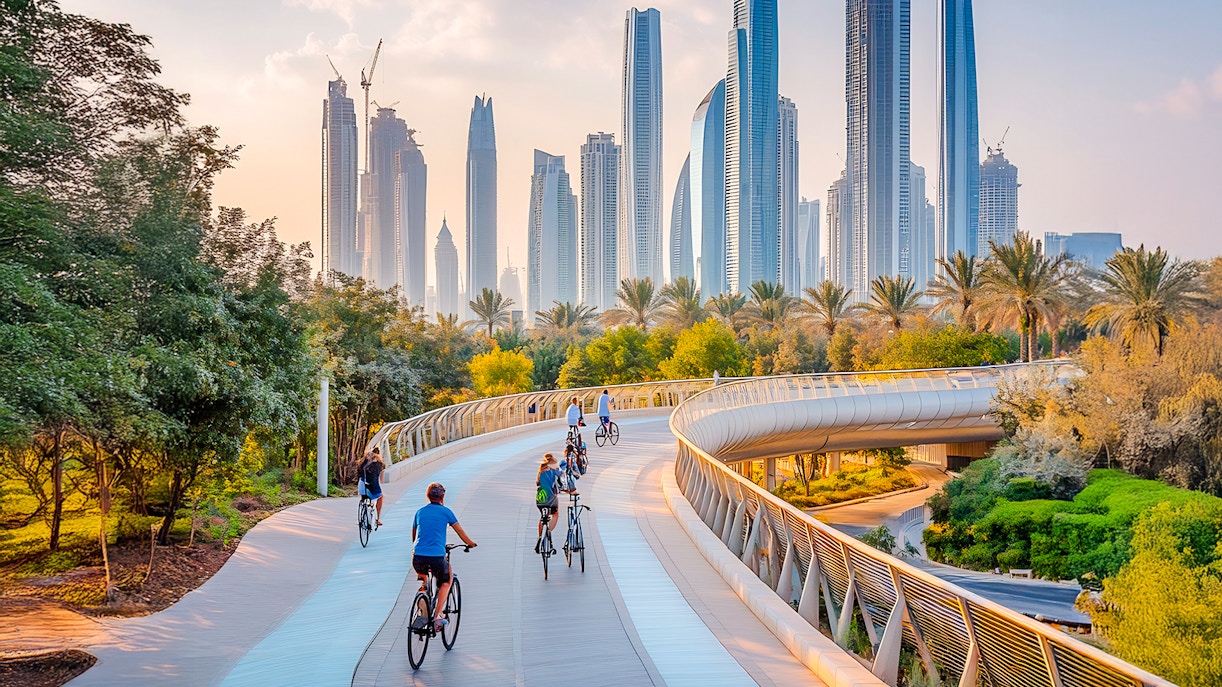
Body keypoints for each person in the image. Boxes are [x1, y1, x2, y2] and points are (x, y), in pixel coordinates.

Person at [411, 482, 476, 632]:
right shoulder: (446, 512)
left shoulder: (420, 512)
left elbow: (414, 536)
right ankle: (437, 615)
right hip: (436, 557)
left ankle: (422, 600)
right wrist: (471, 543)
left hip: (418, 556)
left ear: (428, 496)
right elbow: (461, 533)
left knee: (424, 579)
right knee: (446, 581)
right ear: (442, 496)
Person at [534, 453, 572, 552]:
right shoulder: (555, 471)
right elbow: (562, 483)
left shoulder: (541, 470)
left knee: (543, 517)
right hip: (551, 498)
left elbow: (537, 483)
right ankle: (548, 531)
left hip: (540, 497)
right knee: (555, 514)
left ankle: (540, 537)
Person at [357, 447, 385, 527]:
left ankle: (364, 505)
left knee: (365, 496)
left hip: (362, 487)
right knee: (381, 496)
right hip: (372, 488)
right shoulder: (380, 464)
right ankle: (377, 520)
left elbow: (359, 475)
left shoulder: (362, 462)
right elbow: (380, 480)